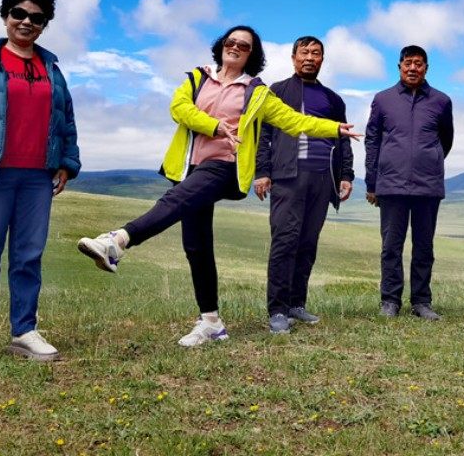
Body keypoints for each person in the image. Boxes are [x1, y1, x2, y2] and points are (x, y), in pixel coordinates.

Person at [78, 25, 359, 347]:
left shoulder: (256, 91)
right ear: (222, 45)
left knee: (172, 203)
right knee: (197, 246)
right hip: (189, 167)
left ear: (252, 54)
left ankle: (118, 240)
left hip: (225, 164)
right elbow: (179, 109)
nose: (235, 46)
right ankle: (211, 322)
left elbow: (293, 120)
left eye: (244, 45)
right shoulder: (198, 78)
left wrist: (334, 129)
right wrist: (214, 126)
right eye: (231, 41)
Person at [0, 0, 80, 361]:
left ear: (44, 25)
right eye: (19, 13)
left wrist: (66, 163)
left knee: (28, 255)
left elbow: (66, 120)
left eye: (37, 18)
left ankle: (24, 331)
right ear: (6, 16)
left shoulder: (52, 71)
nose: (27, 22)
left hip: (37, 178)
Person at [255, 35, 354, 335]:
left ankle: (296, 304)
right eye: (304, 52)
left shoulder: (333, 99)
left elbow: (342, 139)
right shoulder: (277, 91)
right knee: (285, 241)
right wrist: (262, 171)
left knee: (308, 243)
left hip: (322, 179)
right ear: (293, 57)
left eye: (316, 53)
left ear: (322, 59)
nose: (310, 58)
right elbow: (263, 135)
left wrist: (346, 175)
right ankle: (277, 309)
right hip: (287, 176)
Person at [365, 46, 453, 320]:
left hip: (428, 185)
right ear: (399, 66)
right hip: (391, 185)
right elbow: (372, 140)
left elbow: (446, 139)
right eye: (408, 63)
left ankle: (421, 301)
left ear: (426, 68)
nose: (413, 68)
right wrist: (372, 182)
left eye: (418, 63)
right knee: (391, 246)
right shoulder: (383, 99)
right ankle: (390, 300)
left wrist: (429, 159)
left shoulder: (441, 101)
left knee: (424, 246)